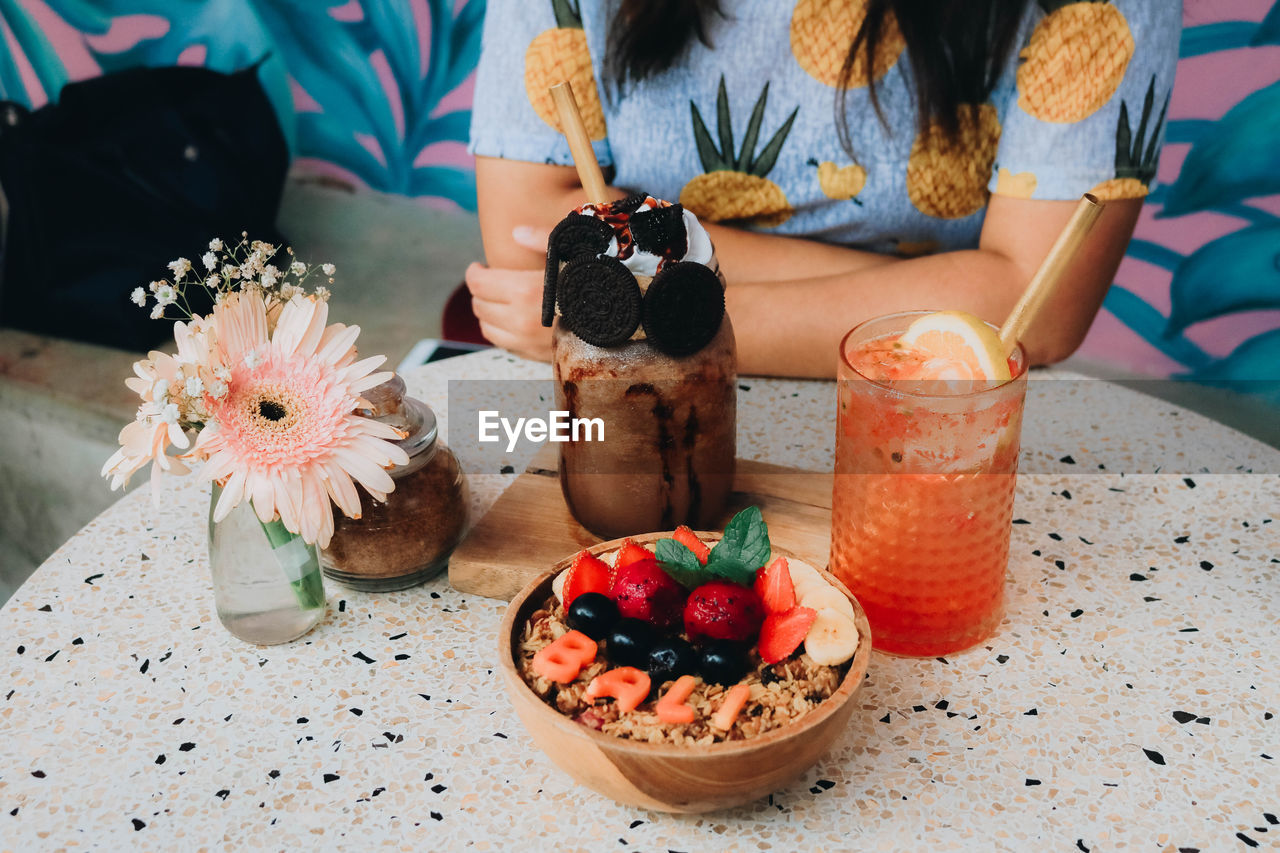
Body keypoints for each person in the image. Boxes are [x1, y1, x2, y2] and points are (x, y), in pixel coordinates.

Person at [465, 0, 1180, 377]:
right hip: (619, 400)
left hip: (934, 406)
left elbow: (1042, 312)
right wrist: (944, 289)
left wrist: (648, 312)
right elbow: (531, 224)